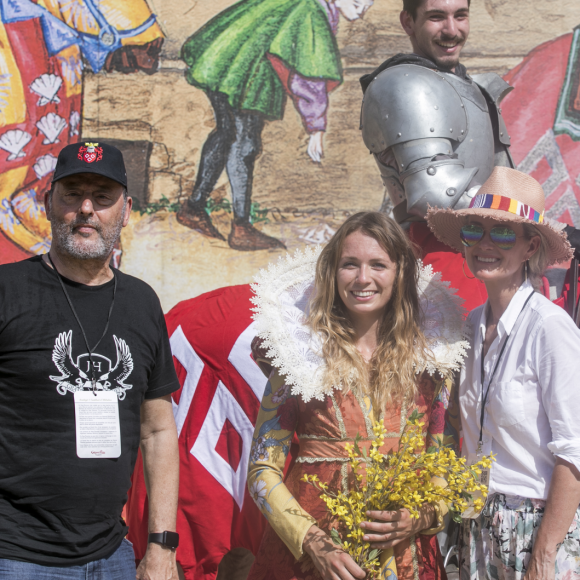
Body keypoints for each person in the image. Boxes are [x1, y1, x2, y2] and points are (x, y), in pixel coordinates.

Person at [246, 211, 468, 580]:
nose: (363, 279)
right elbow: (262, 470)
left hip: (408, 559)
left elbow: (443, 466)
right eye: (350, 265)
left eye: (378, 265)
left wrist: (420, 516)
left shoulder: (432, 362)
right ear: (333, 273)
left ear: (399, 274)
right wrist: (313, 541)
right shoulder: (297, 354)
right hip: (311, 561)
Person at [0, 142, 181, 579]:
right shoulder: (7, 290)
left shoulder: (141, 302)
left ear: (126, 208)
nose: (86, 209)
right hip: (16, 556)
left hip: (112, 554)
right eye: (72, 195)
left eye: (102, 197)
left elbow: (157, 430)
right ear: (48, 204)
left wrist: (161, 546)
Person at [426, 166, 580, 580]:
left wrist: (544, 557)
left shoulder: (549, 327)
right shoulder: (471, 326)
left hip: (541, 530)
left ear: (530, 249)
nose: (486, 244)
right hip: (476, 528)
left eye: (504, 233)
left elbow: (574, 451)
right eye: (474, 230)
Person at [177, 0, 372, 251]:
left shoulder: (306, 5)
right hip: (246, 72)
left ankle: (193, 208)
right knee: (245, 144)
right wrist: (316, 129)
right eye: (357, 3)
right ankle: (241, 227)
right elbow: (308, 76)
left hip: (224, 62)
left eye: (367, 6)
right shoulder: (310, 12)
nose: (361, 12)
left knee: (226, 133)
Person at [359, 0, 513, 311]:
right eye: (436, 17)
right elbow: (436, 192)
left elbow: (506, 181)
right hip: (435, 260)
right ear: (408, 22)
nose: (452, 30)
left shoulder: (476, 88)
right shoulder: (404, 84)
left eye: (460, 16)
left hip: (493, 249)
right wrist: (522, 221)